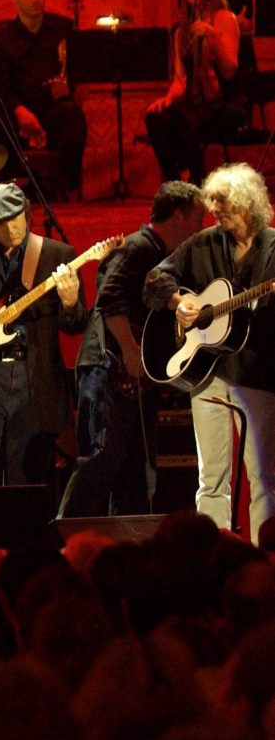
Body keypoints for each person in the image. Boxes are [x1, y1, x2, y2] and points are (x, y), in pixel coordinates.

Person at [144, 163, 275, 538]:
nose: (214, 210)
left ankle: (264, 554)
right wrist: (176, 302)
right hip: (207, 374)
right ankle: (213, 553)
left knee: (263, 474)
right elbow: (155, 279)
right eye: (213, 202)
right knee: (210, 476)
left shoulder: (273, 248)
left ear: (247, 204)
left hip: (257, 373)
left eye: (223, 203)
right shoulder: (204, 242)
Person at [60, 181, 205, 517]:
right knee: (100, 461)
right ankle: (67, 537)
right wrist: (129, 348)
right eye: (198, 219)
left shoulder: (161, 255)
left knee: (136, 473)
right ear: (180, 215)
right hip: (108, 370)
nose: (201, 227)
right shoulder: (137, 248)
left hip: (134, 379)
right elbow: (109, 298)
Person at [0, 183, 86, 489]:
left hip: (34, 373)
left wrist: (71, 302)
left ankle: (26, 536)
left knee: (28, 467)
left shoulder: (57, 254)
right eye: (1, 223)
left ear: (27, 213)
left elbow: (76, 325)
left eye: (16, 217)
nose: (12, 227)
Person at [0, 0, 88, 198]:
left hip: (53, 108)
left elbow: (75, 74)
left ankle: (62, 190)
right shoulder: (2, 39)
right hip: (17, 110)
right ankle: (16, 188)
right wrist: (20, 112)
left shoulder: (63, 29)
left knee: (74, 119)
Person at [145, 0, 242, 182]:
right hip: (195, 101)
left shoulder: (225, 18)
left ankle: (198, 177)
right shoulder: (181, 30)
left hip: (224, 103)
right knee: (156, 117)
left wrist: (213, 37)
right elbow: (181, 78)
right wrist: (168, 98)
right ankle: (174, 181)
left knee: (184, 117)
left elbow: (229, 71)